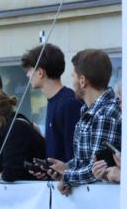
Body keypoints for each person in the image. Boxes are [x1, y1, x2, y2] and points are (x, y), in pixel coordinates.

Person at [46, 49, 122, 196]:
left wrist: (67, 176)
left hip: (103, 201)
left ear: (82, 81)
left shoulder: (105, 114)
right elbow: (85, 161)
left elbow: (97, 169)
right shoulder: (88, 110)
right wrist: (67, 166)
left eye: (73, 76)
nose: (72, 82)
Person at [21, 43, 83, 163]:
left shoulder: (69, 104)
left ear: (40, 72)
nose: (27, 75)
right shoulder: (54, 101)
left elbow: (73, 156)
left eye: (29, 70)